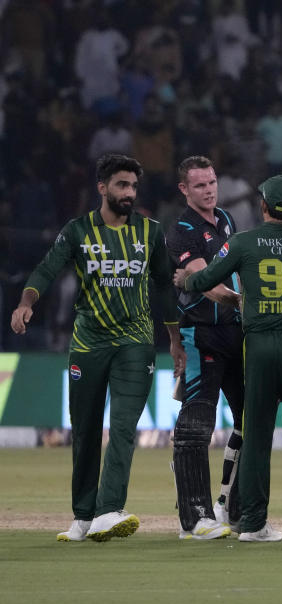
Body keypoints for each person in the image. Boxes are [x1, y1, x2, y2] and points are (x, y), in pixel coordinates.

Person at [10, 153, 185, 542]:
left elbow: (162, 286)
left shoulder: (152, 232)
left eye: (134, 186)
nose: (129, 193)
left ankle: (109, 509)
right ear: (102, 188)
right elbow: (47, 268)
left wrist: (174, 339)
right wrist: (26, 302)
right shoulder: (76, 231)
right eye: (122, 185)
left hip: (135, 343)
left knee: (123, 427)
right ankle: (84, 516)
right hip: (88, 343)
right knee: (86, 431)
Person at [175, 175, 282, 544]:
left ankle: (253, 522)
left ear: (262, 207)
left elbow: (206, 278)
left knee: (257, 435)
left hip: (258, 347)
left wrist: (186, 279)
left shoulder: (243, 242)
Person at [166, 155, 243, 540]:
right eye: (199, 185)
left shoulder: (227, 221)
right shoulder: (182, 230)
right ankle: (194, 519)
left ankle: (236, 508)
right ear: (184, 189)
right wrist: (244, 303)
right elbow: (204, 282)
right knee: (197, 426)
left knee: (252, 421)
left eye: (212, 182)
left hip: (236, 335)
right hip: (201, 336)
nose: (209, 190)